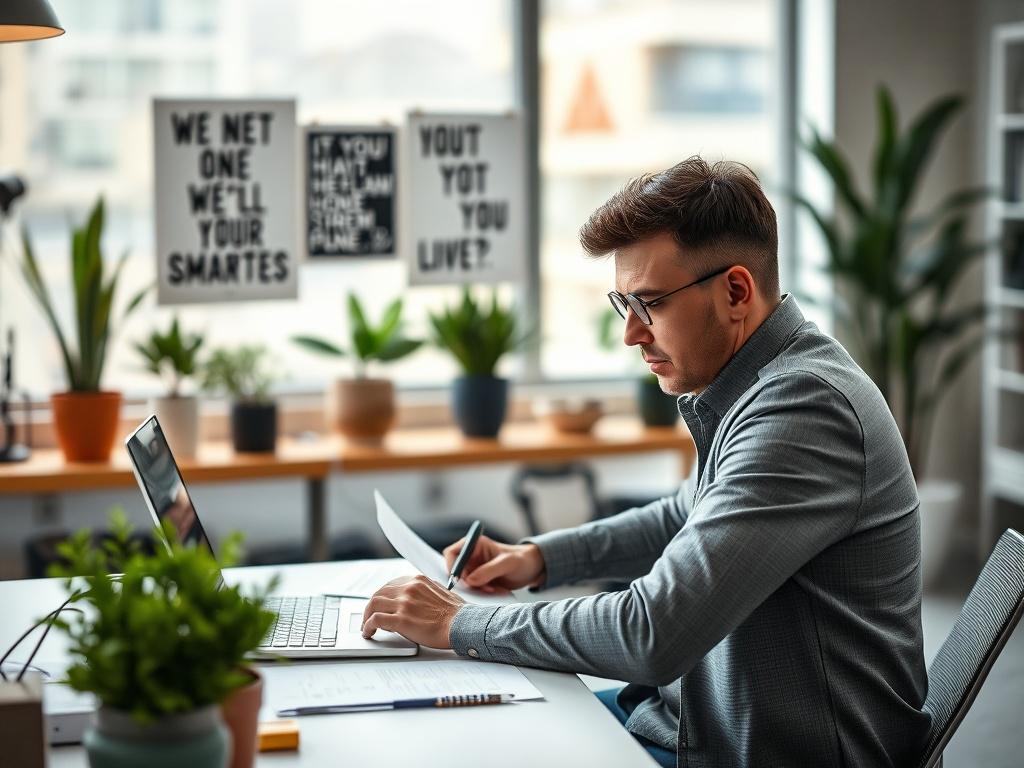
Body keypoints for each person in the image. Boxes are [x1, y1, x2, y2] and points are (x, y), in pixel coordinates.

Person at [360, 156, 932, 768]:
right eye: (624, 304)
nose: (632, 333)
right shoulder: (757, 384)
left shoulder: (805, 411)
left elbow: (654, 631)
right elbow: (684, 515)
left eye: (650, 303)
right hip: (685, 720)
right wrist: (539, 558)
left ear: (736, 292)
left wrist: (459, 625)